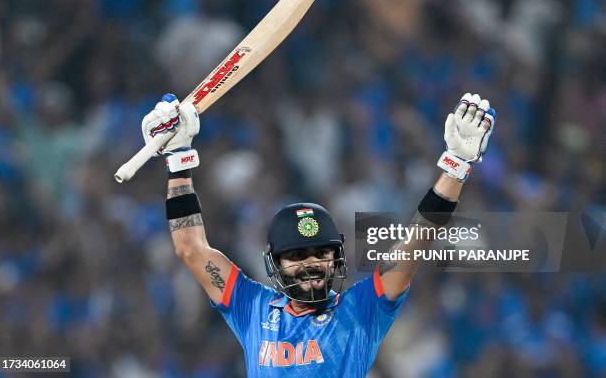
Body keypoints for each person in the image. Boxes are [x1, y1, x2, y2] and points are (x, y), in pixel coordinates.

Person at [141, 92, 496, 377]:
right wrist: (178, 161)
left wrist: (456, 166)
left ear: (336, 259)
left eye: (321, 253)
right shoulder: (251, 307)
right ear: (275, 263)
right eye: (297, 256)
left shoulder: (361, 310)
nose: (311, 263)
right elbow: (190, 248)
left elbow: (417, 242)